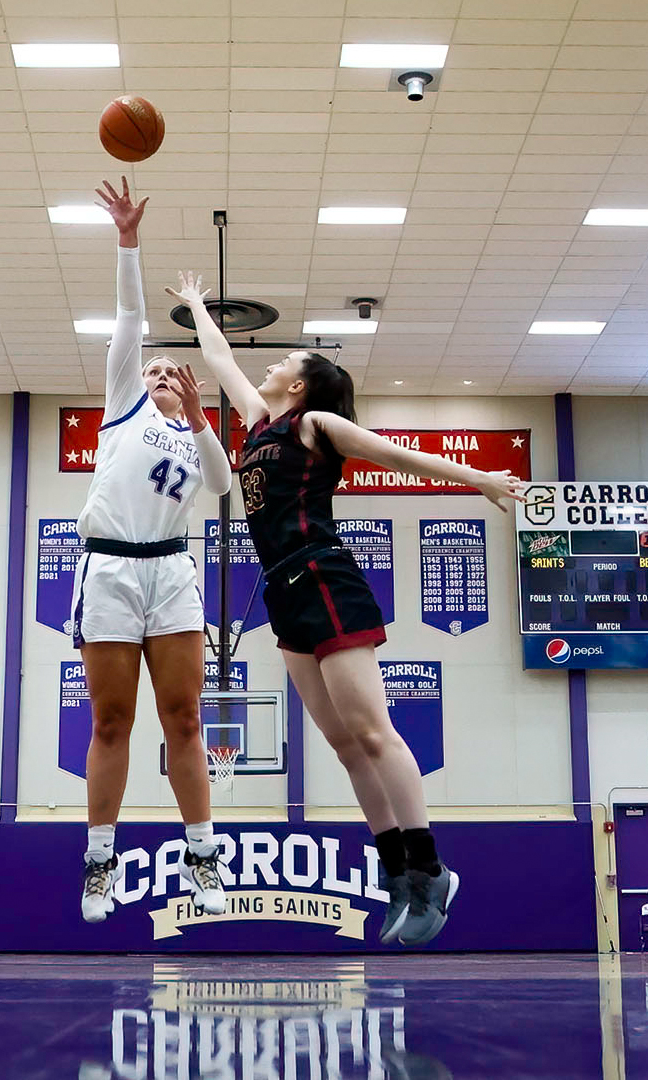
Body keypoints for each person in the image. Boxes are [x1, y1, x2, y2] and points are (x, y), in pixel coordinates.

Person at [171, 271, 522, 947]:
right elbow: (219, 359)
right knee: (341, 744)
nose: (269, 365)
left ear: (301, 384)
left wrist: (477, 478)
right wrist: (193, 304)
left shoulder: (316, 424)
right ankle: (398, 873)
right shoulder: (258, 424)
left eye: (284, 362)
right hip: (283, 588)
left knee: (373, 732)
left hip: (325, 577)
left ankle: (432, 870)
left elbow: (398, 456)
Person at [73, 180, 233, 926]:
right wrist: (128, 241)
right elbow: (131, 319)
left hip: (171, 569)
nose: (163, 373)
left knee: (186, 718)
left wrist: (204, 419)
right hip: (109, 566)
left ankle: (203, 858)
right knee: (112, 721)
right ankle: (100, 863)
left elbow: (225, 483)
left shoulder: (196, 434)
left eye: (176, 371)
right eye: (155, 369)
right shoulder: (122, 404)